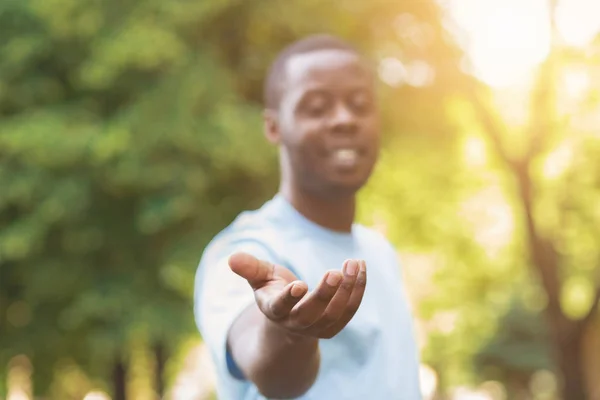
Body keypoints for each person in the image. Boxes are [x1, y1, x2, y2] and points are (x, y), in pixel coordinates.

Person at [194, 34, 422, 400]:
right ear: (273, 127)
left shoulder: (380, 252)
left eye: (360, 104)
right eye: (317, 107)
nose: (344, 120)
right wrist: (288, 333)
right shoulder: (243, 252)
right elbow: (270, 372)